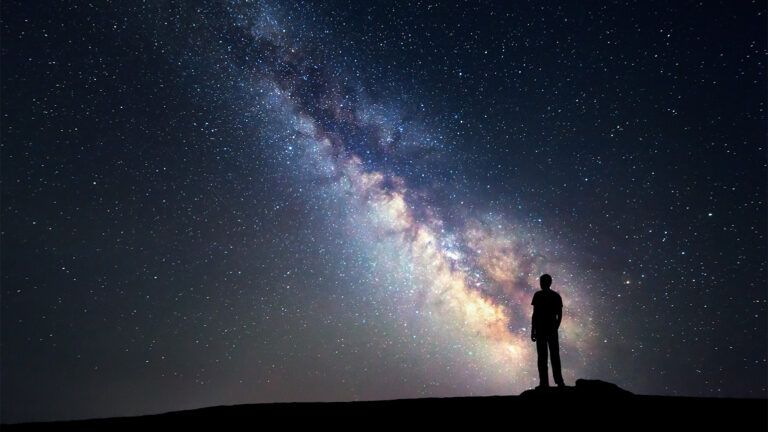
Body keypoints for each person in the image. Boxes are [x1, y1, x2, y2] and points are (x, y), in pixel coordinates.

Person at [531, 273, 565, 388]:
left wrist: (555, 327)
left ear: (548, 283)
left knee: (549, 357)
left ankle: (554, 382)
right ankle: (547, 382)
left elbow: (559, 314)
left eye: (542, 282)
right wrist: (533, 330)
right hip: (546, 329)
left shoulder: (547, 296)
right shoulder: (551, 296)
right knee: (546, 357)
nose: (541, 284)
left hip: (547, 329)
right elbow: (535, 314)